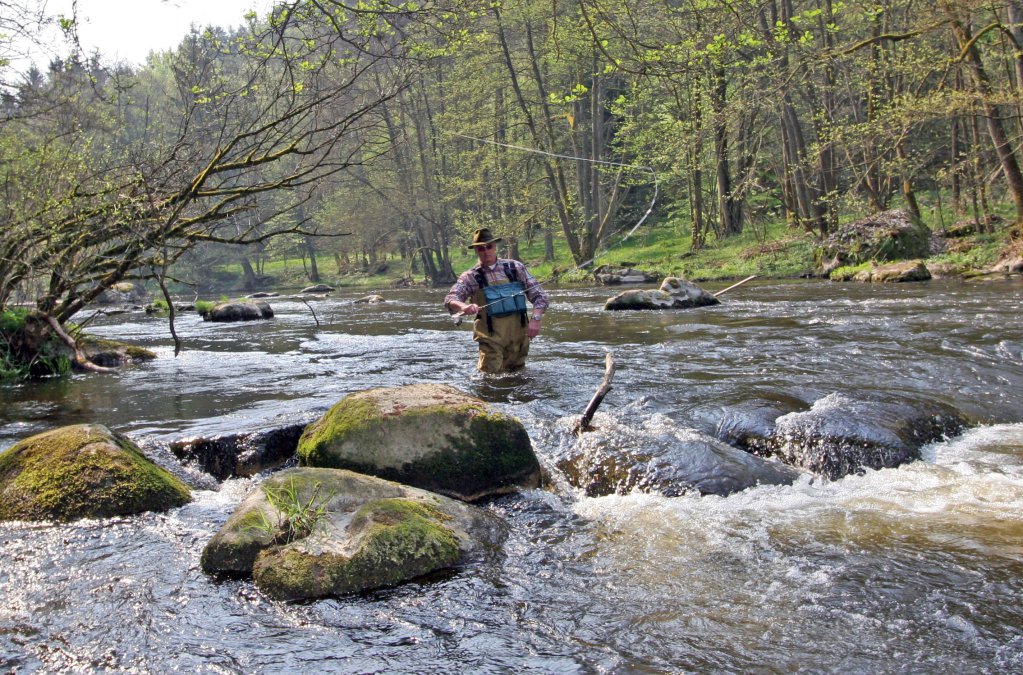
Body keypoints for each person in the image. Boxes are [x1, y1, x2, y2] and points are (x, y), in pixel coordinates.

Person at [444, 228, 550, 373]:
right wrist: (464, 306)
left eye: (489, 246)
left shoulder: (515, 268)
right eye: (481, 248)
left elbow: (540, 296)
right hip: (490, 341)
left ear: (495, 246)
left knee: (519, 380)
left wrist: (536, 319)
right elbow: (451, 299)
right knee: (489, 381)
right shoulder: (470, 276)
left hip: (519, 339)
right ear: (476, 250)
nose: (486, 251)